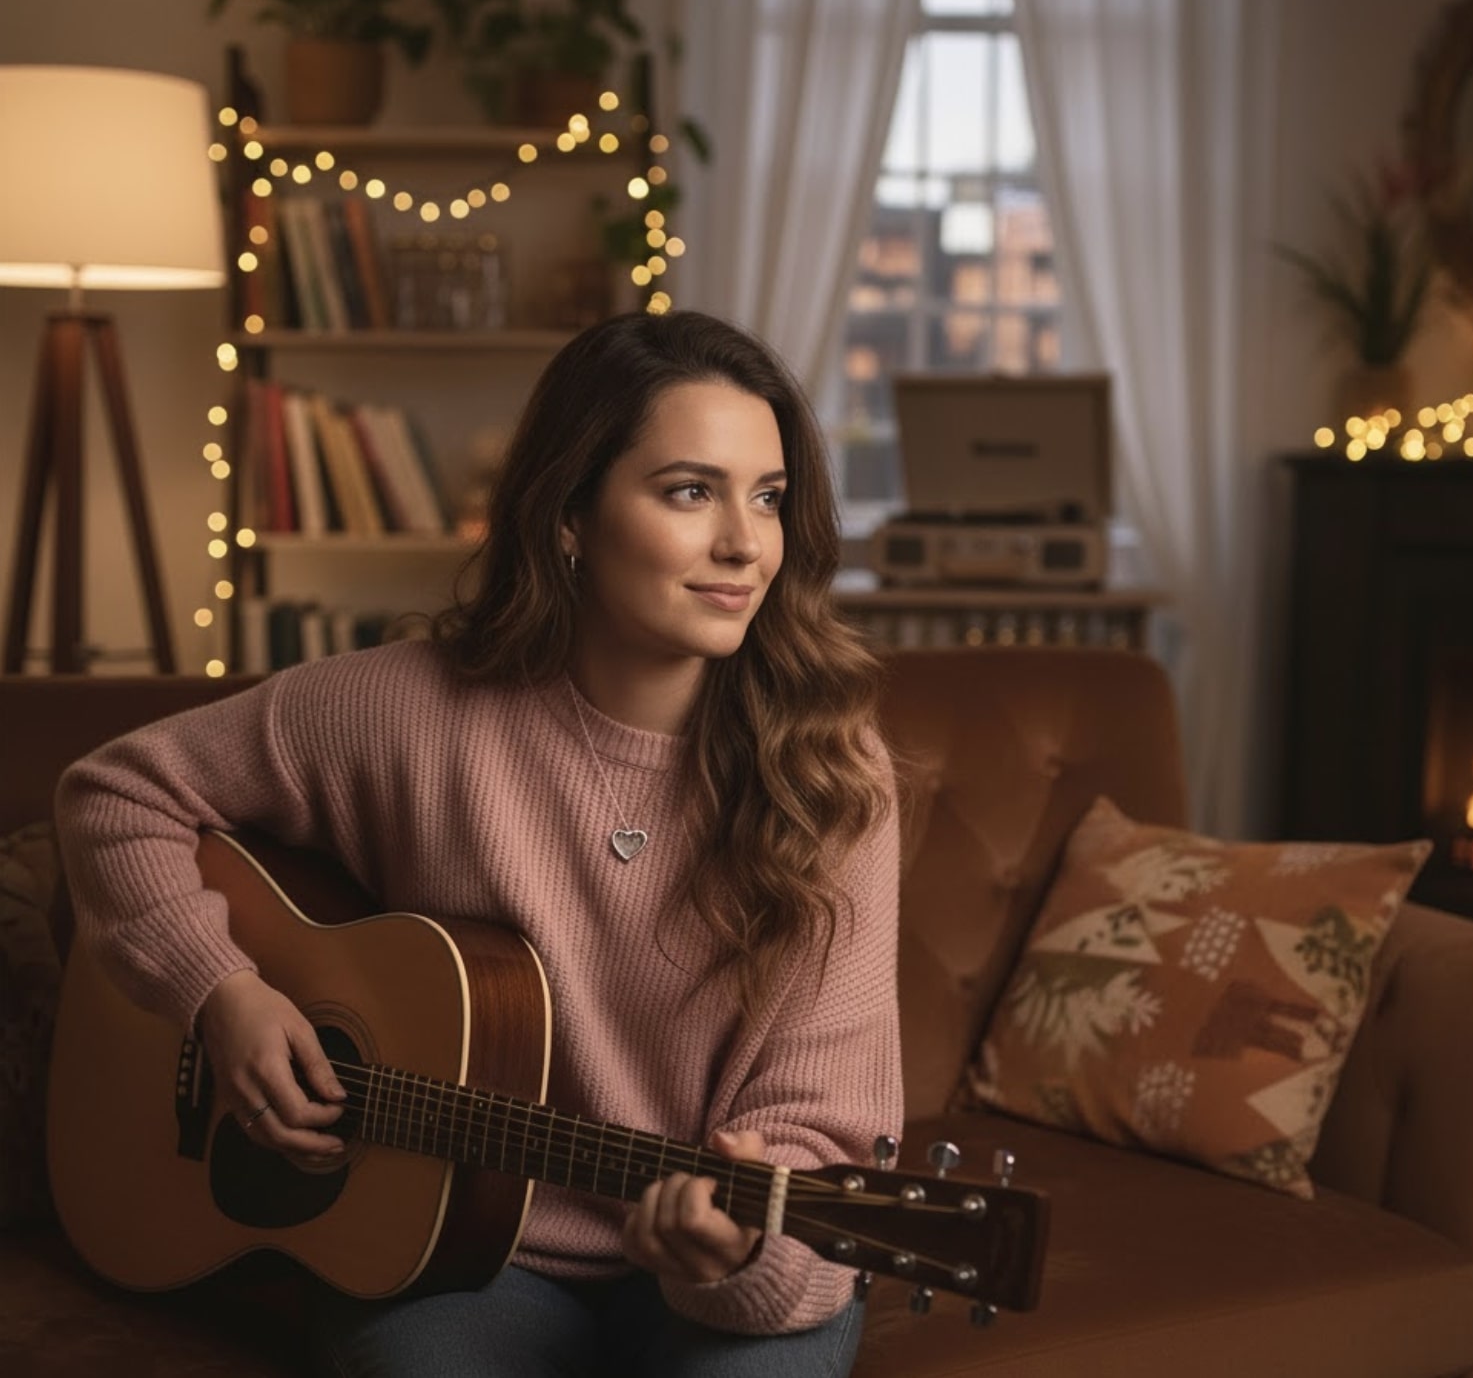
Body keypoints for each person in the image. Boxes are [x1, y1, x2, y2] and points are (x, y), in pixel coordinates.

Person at [54, 310, 903, 1378]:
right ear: (569, 516)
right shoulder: (402, 708)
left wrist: (739, 1246)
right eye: (690, 490)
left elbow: (822, 1132)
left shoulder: (832, 772)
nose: (744, 542)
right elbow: (118, 792)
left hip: (716, 1273)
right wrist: (221, 992)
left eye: (767, 496)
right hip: (453, 1256)